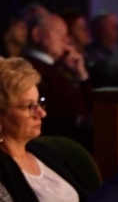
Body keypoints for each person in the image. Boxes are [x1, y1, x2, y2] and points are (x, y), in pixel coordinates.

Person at [0, 57, 91, 202]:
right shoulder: (3, 169)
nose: (41, 113)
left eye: (40, 102)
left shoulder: (43, 151)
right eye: (29, 106)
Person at [24, 13, 93, 148]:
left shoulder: (59, 68)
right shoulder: (29, 69)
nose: (67, 40)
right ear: (37, 34)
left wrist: (80, 74)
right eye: (59, 33)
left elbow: (90, 105)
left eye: (67, 34)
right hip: (56, 144)